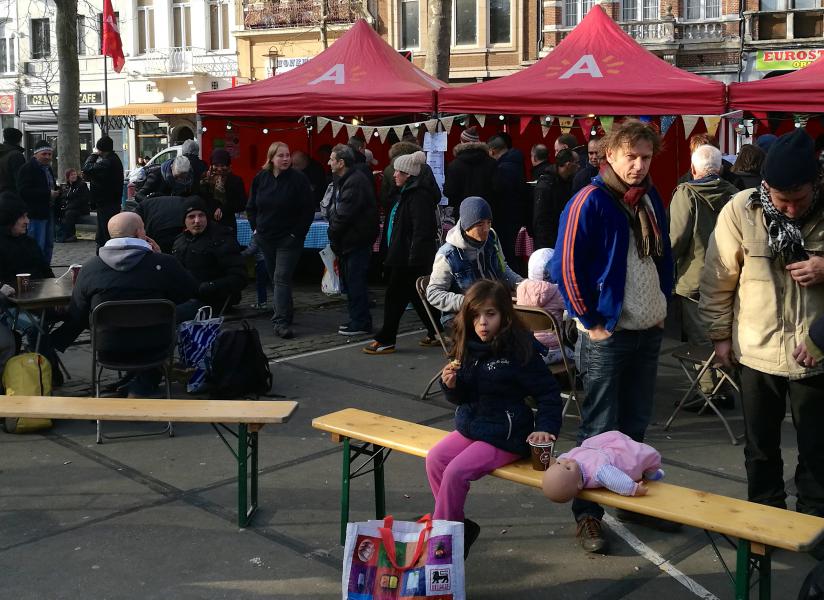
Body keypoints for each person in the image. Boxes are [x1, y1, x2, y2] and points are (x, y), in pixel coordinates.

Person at [550, 119, 674, 553]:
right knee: (600, 430)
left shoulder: (650, 197)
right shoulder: (591, 199)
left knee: (635, 427)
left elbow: (664, 255)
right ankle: (588, 517)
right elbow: (565, 266)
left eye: (645, 157)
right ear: (610, 156)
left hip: (646, 328)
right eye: (630, 157)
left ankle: (631, 501)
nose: (638, 165)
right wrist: (591, 320)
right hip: (609, 332)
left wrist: (663, 303)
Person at [699, 128, 824, 517]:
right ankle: (765, 519)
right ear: (765, 186)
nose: (789, 209)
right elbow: (717, 277)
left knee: (819, 450)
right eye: (781, 200)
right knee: (760, 448)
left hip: (817, 352)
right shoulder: (740, 209)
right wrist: (720, 336)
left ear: (816, 184)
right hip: (757, 350)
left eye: (799, 200)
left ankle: (813, 524)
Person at [425, 279, 562, 557]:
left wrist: (545, 429)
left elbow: (549, 393)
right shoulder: (469, 345)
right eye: (476, 315)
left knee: (456, 472)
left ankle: (444, 546)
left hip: (506, 434)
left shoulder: (519, 349)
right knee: (436, 459)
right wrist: (450, 386)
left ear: (504, 314)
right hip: (473, 425)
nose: (482, 322)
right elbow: (463, 397)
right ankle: (457, 528)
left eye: (490, 314)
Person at [56, 212, 199, 397]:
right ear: (140, 233)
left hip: (109, 349)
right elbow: (190, 291)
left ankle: (134, 384)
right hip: (156, 348)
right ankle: (141, 385)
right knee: (188, 309)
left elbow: (77, 314)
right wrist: (162, 257)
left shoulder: (90, 268)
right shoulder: (164, 263)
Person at [670, 144, 739, 406]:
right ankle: (724, 388)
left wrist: (666, 264)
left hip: (695, 276)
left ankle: (710, 393)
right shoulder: (735, 194)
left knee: (700, 339)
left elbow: (677, 238)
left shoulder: (686, 193)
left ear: (692, 169)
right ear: (720, 168)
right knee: (724, 332)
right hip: (729, 275)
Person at [363, 151, 441, 355]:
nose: (394, 174)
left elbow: (422, 230)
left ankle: (386, 338)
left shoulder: (418, 196)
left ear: (409, 174)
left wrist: (414, 258)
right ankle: (436, 331)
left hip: (408, 258)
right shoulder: (406, 193)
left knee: (394, 298)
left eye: (399, 171)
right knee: (417, 295)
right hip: (403, 255)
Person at [247, 141, 314, 339]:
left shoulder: (298, 179)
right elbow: (251, 206)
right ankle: (287, 312)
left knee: (281, 277)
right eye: (281, 156)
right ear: (271, 158)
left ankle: (280, 321)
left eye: (287, 155)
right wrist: (256, 228)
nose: (285, 159)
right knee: (276, 278)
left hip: (288, 239)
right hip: (266, 237)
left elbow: (307, 210)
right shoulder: (261, 178)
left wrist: (296, 234)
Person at [426, 196, 522, 320]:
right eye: (480, 224)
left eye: (489, 222)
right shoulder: (447, 255)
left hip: (494, 307)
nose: (486, 229)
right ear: (467, 226)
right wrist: (469, 303)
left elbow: (503, 269)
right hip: (462, 316)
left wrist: (521, 284)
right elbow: (433, 294)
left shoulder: (492, 239)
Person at [0, 191, 61, 384]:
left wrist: (58, 293)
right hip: (12, 308)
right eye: (22, 217)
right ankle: (48, 373)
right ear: (9, 219)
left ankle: (56, 345)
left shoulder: (30, 242)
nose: (27, 221)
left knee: (81, 311)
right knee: (36, 327)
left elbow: (46, 272)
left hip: (43, 300)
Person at [327, 144, 379, 336]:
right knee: (351, 282)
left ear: (341, 162)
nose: (329, 162)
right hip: (351, 240)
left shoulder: (354, 181)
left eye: (332, 159)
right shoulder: (347, 179)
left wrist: (332, 232)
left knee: (356, 282)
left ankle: (361, 322)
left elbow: (344, 214)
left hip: (356, 239)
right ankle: (357, 318)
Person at [172, 198, 246, 318]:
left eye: (201, 215)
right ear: (184, 220)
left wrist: (209, 286)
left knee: (172, 315)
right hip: (186, 298)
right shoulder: (180, 240)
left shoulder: (221, 238)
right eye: (191, 217)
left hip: (212, 302)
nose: (197, 221)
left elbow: (239, 277)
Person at [542, 431, 665, 502]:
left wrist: (555, 461)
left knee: (622, 438)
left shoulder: (568, 462)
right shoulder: (598, 472)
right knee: (644, 454)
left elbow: (561, 460)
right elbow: (617, 481)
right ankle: (652, 473)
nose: (567, 461)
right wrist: (634, 489)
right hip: (619, 459)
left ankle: (650, 470)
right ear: (579, 483)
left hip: (601, 447)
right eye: (568, 468)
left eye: (560, 463)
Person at [515, 248, 567, 364]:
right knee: (578, 354)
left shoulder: (521, 289)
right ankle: (572, 380)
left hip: (529, 349)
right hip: (554, 350)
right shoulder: (556, 292)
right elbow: (573, 307)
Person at [488, 134, 527, 268]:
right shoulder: (517, 163)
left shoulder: (502, 168)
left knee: (507, 254)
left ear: (492, 151)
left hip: (506, 216)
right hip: (517, 214)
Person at [17, 140, 58, 263]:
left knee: (48, 244)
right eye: (44, 154)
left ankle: (45, 269)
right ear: (36, 154)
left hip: (48, 210)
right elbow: (23, 191)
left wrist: (57, 191)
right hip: (35, 214)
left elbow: (50, 186)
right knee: (37, 243)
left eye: (49, 154)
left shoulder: (48, 169)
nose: (47, 157)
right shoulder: (28, 168)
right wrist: (47, 193)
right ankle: (36, 271)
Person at [82, 136, 124, 249]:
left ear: (101, 149)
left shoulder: (108, 162)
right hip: (109, 202)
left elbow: (87, 168)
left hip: (107, 203)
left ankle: (104, 254)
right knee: (104, 232)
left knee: (104, 233)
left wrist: (93, 155)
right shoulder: (113, 160)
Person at [532, 148, 579, 250]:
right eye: (577, 163)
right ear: (568, 164)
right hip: (548, 242)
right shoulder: (546, 186)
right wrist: (546, 246)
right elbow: (541, 219)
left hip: (563, 237)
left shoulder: (568, 182)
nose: (579, 166)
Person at [443, 127, 497, 211]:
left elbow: (449, 191)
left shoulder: (454, 165)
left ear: (462, 142)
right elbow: (498, 188)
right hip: (487, 211)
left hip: (463, 211)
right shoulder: (492, 163)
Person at [201, 148, 246, 231]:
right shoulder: (205, 181)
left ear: (228, 165)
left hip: (228, 225)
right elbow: (202, 200)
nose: (219, 168)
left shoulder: (236, 181)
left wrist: (223, 209)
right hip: (208, 225)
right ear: (211, 165)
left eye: (222, 165)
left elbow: (242, 203)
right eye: (216, 165)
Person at [379, 139, 423, 214]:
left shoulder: (388, 169)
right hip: (419, 210)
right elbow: (435, 194)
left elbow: (384, 196)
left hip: (394, 211)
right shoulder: (423, 167)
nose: (394, 174)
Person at [56, 168, 91, 243]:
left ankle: (69, 235)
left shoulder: (81, 185)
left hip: (81, 208)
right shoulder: (67, 187)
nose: (74, 176)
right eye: (71, 175)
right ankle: (58, 234)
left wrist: (68, 206)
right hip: (70, 208)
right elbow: (64, 197)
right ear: (68, 177)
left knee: (69, 213)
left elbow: (82, 200)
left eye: (74, 174)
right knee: (58, 212)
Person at [0, 127, 25, 194]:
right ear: (19, 140)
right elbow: (20, 180)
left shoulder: (2, 153)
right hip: (12, 196)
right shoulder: (16, 155)